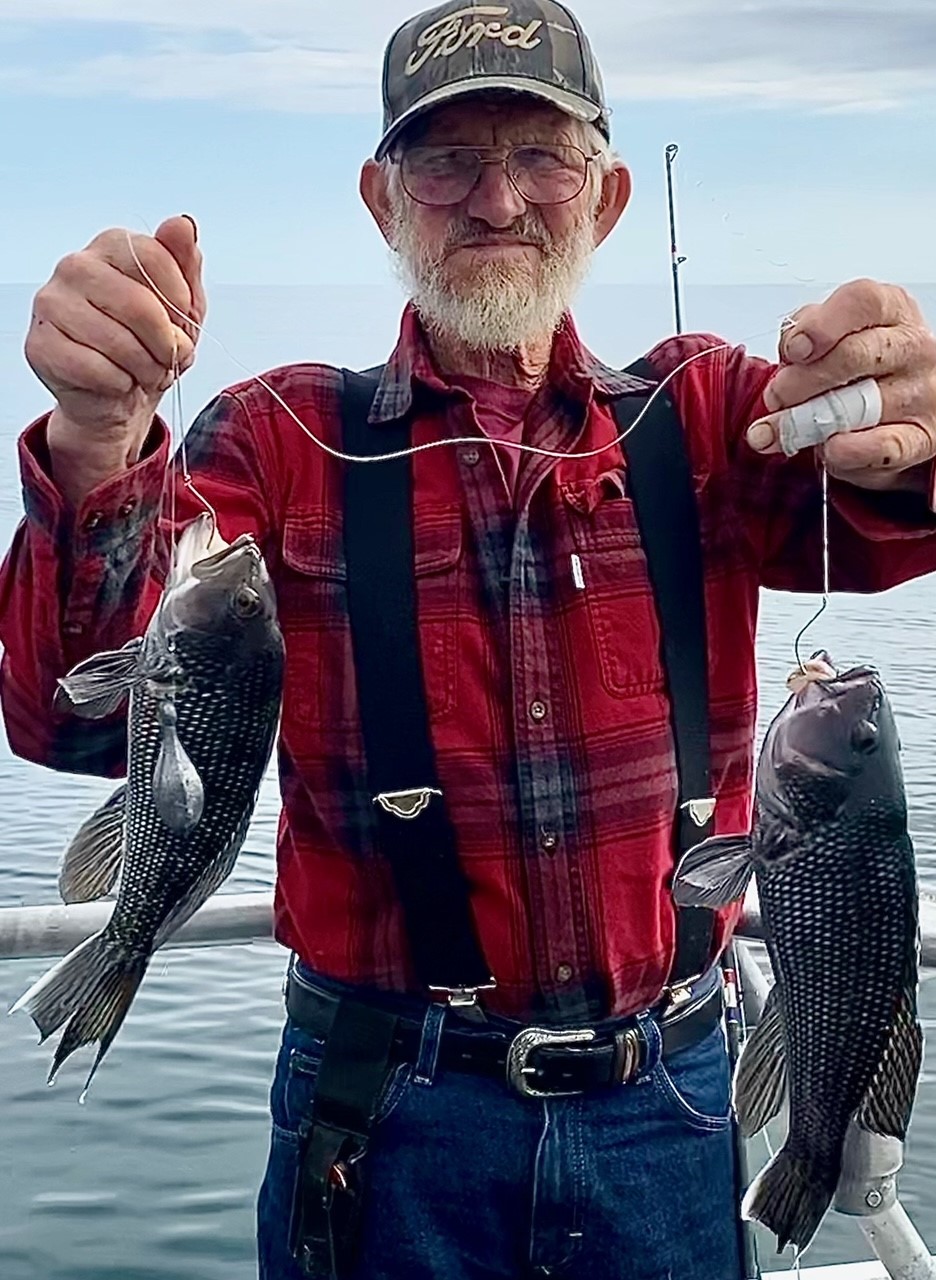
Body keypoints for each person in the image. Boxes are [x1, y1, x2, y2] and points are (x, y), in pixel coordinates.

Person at [2, 1, 936, 1277]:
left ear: (607, 198)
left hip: (671, 1106)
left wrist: (900, 414)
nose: (498, 198)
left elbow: (890, 515)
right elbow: (77, 719)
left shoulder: (708, 412)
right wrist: (97, 439)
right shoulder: (276, 437)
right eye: (446, 161)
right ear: (383, 200)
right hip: (380, 1110)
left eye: (541, 155)